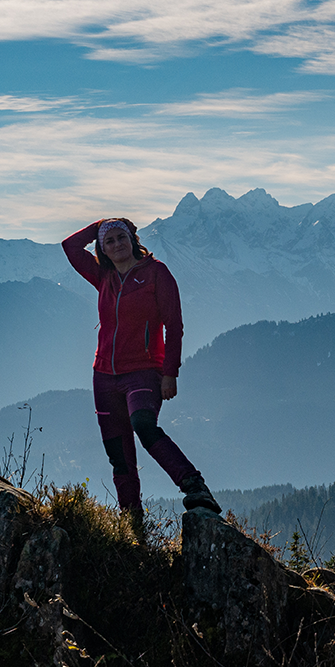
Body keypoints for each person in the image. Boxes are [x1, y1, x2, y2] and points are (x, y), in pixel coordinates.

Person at [62, 218, 221, 516]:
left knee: (144, 424)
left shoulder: (156, 273)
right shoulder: (103, 276)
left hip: (144, 371)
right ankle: (132, 525)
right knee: (119, 456)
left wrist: (170, 373)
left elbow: (174, 326)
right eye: (109, 241)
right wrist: (102, 224)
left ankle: (193, 485)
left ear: (133, 239)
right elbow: (69, 246)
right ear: (102, 249)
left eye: (121, 237)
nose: (117, 244)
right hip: (104, 376)